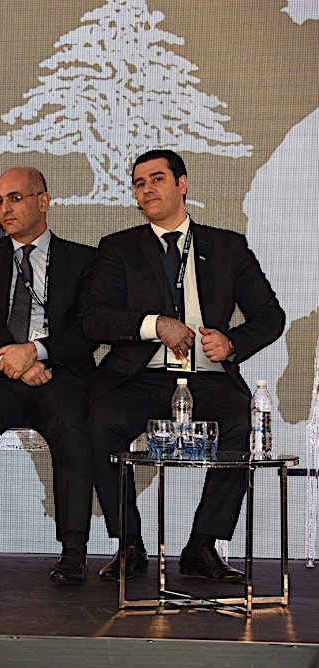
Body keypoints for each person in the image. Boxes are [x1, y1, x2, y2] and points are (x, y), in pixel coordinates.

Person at [84, 149, 285, 582]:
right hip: (141, 376)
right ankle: (129, 544)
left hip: (207, 378)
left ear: (182, 184)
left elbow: (271, 316)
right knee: (100, 422)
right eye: (139, 183)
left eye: (157, 179)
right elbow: (94, 318)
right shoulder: (118, 249)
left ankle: (202, 545)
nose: (147, 189)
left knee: (241, 422)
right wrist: (154, 325)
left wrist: (231, 342)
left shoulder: (227, 247)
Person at [0, 167, 97, 584]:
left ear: (43, 202)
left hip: (58, 373)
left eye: (15, 198)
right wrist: (10, 361)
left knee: (71, 427)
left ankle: (73, 551)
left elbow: (88, 330)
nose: (5, 209)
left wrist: (35, 352)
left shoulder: (82, 260)